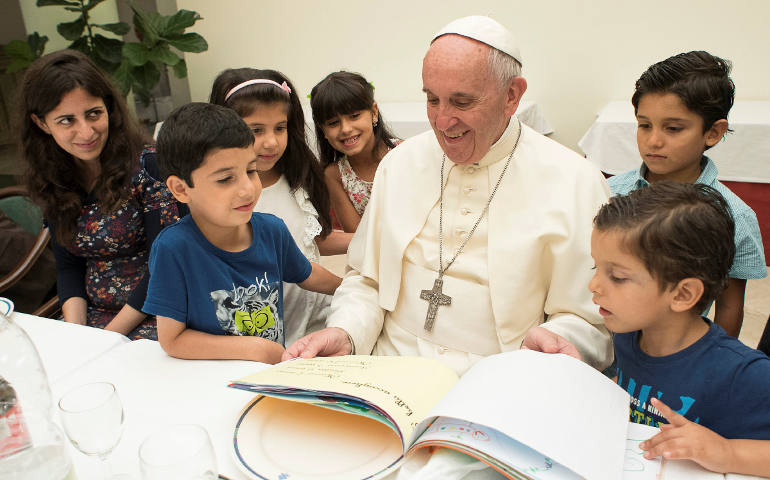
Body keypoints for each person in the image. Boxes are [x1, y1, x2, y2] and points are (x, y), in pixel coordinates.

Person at [285, 16, 613, 375]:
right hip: (387, 370)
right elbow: (366, 280)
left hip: (503, 376)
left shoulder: (576, 182)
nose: (442, 122)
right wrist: (346, 332)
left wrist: (555, 342)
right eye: (432, 99)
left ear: (512, 96)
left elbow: (589, 318)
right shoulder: (400, 164)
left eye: (462, 102)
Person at [590, 181, 770, 475]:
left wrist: (727, 452)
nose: (593, 285)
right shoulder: (627, 334)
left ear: (683, 294)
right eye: (594, 267)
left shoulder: (743, 373)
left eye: (618, 276)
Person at [143, 103, 342, 363]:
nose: (248, 189)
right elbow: (172, 339)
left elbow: (307, 274)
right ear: (181, 189)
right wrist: (255, 349)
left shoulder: (272, 230)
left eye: (251, 170)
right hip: (214, 380)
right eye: (226, 179)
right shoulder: (173, 249)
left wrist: (355, 289)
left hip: (271, 372)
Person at [18, 49, 183, 340]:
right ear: (42, 123)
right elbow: (68, 268)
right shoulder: (50, 177)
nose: (86, 132)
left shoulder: (150, 167)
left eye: (94, 114)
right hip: (90, 320)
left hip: (159, 315)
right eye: (66, 120)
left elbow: (165, 265)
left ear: (108, 108)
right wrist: (77, 334)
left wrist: (106, 338)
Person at [607, 51, 766, 338]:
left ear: (713, 133)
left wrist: (709, 365)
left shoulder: (734, 216)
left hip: (674, 356)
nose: (653, 140)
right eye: (644, 125)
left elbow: (729, 306)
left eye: (673, 128)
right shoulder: (609, 192)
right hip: (601, 347)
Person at [209, 68, 350, 344]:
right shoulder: (225, 203)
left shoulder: (296, 178)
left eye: (280, 128)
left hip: (318, 319)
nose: (271, 142)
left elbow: (309, 240)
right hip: (265, 334)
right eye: (256, 130)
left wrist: (367, 241)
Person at [310, 71, 400, 232]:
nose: (346, 129)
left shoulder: (403, 153)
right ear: (322, 129)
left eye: (354, 116)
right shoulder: (334, 175)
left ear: (374, 112)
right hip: (372, 254)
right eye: (333, 123)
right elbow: (355, 235)